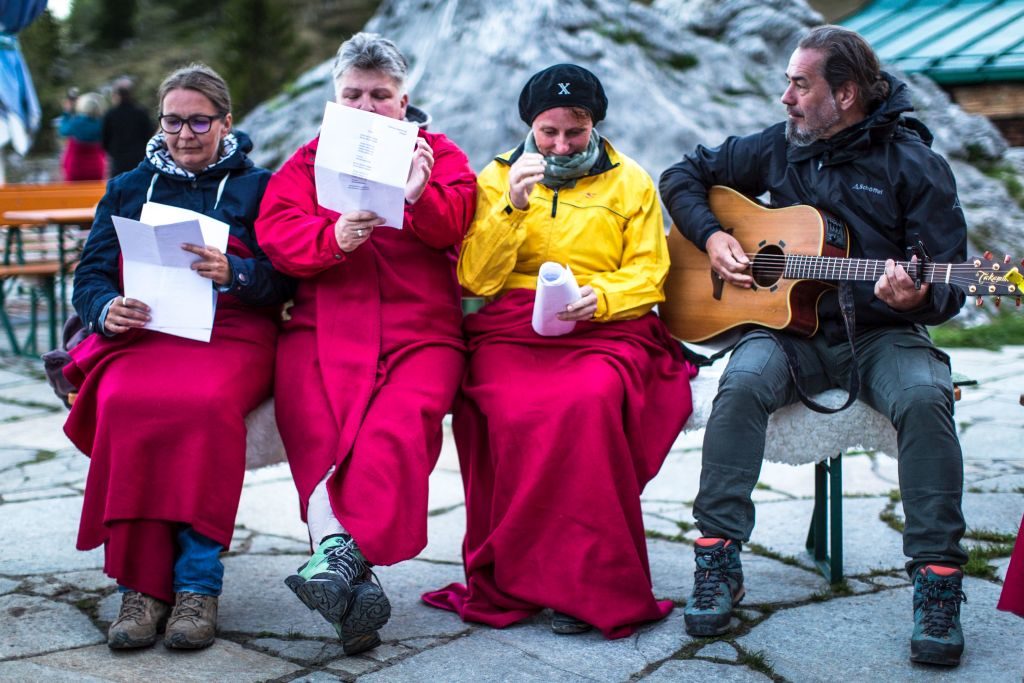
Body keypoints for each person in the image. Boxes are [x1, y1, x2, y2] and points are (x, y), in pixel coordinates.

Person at [660, 25, 969, 666]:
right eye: (787, 82)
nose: (786, 98)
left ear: (846, 93)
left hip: (881, 335)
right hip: (788, 332)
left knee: (924, 395)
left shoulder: (915, 165)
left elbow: (950, 281)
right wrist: (714, 237)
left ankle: (937, 581)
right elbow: (682, 175)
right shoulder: (779, 148)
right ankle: (718, 559)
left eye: (800, 85)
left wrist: (920, 297)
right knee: (739, 386)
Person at [421, 64, 696, 639]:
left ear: (594, 125)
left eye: (575, 132)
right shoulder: (496, 178)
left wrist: (602, 297)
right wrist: (513, 208)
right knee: (503, 410)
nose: (561, 145)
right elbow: (476, 280)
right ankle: (520, 577)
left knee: (589, 403)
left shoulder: (631, 182)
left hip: (604, 328)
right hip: (512, 332)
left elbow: (650, 273)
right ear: (531, 127)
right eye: (549, 133)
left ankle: (587, 584)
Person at [255, 33, 476, 655]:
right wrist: (337, 238)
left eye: (381, 95)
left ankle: (336, 565)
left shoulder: (439, 155)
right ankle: (353, 592)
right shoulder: (308, 160)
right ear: (335, 96)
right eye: (353, 93)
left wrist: (417, 195)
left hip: (421, 333)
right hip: (322, 328)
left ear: (404, 101)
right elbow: (278, 233)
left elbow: (460, 225)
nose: (367, 105)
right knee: (320, 439)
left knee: (394, 431)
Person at [64, 63, 293, 651]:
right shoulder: (128, 186)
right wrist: (105, 307)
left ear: (226, 122)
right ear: (159, 122)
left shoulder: (259, 186)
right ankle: (142, 589)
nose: (185, 134)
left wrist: (236, 272)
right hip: (148, 329)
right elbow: (89, 274)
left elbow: (284, 280)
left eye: (199, 121)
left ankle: (196, 585)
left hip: (232, 331)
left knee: (204, 405)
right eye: (173, 121)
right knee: (123, 399)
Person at [102, 76, 155, 177]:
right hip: (138, 157)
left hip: (118, 159)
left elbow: (105, 139)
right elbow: (149, 134)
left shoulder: (110, 114)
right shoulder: (141, 112)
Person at [58, 91, 106, 180]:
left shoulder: (76, 123)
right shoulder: (102, 124)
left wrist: (67, 113)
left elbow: (63, 131)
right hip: (97, 168)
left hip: (75, 168)